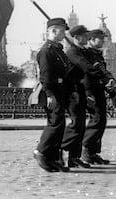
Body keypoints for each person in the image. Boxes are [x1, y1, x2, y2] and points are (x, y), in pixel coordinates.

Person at [60, 25, 105, 168]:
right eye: (85, 36)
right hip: (73, 91)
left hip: (80, 91)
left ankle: (74, 157)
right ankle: (59, 149)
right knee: (75, 125)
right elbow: (86, 67)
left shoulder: (81, 51)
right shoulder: (73, 52)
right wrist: (101, 74)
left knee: (79, 125)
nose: (87, 38)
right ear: (77, 38)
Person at [33, 18, 71, 172]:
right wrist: (49, 94)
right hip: (53, 91)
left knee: (60, 125)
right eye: (62, 30)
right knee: (54, 123)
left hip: (61, 91)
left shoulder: (57, 50)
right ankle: (41, 152)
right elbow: (45, 75)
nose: (64, 33)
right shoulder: (46, 51)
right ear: (54, 30)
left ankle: (52, 158)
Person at [81, 29, 116, 165]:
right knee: (96, 120)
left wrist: (110, 79)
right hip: (92, 90)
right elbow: (86, 74)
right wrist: (88, 93)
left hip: (100, 89)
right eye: (100, 39)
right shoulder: (87, 54)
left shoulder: (97, 54)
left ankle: (93, 152)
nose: (103, 41)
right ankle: (86, 149)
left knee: (101, 120)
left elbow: (103, 71)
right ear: (91, 39)